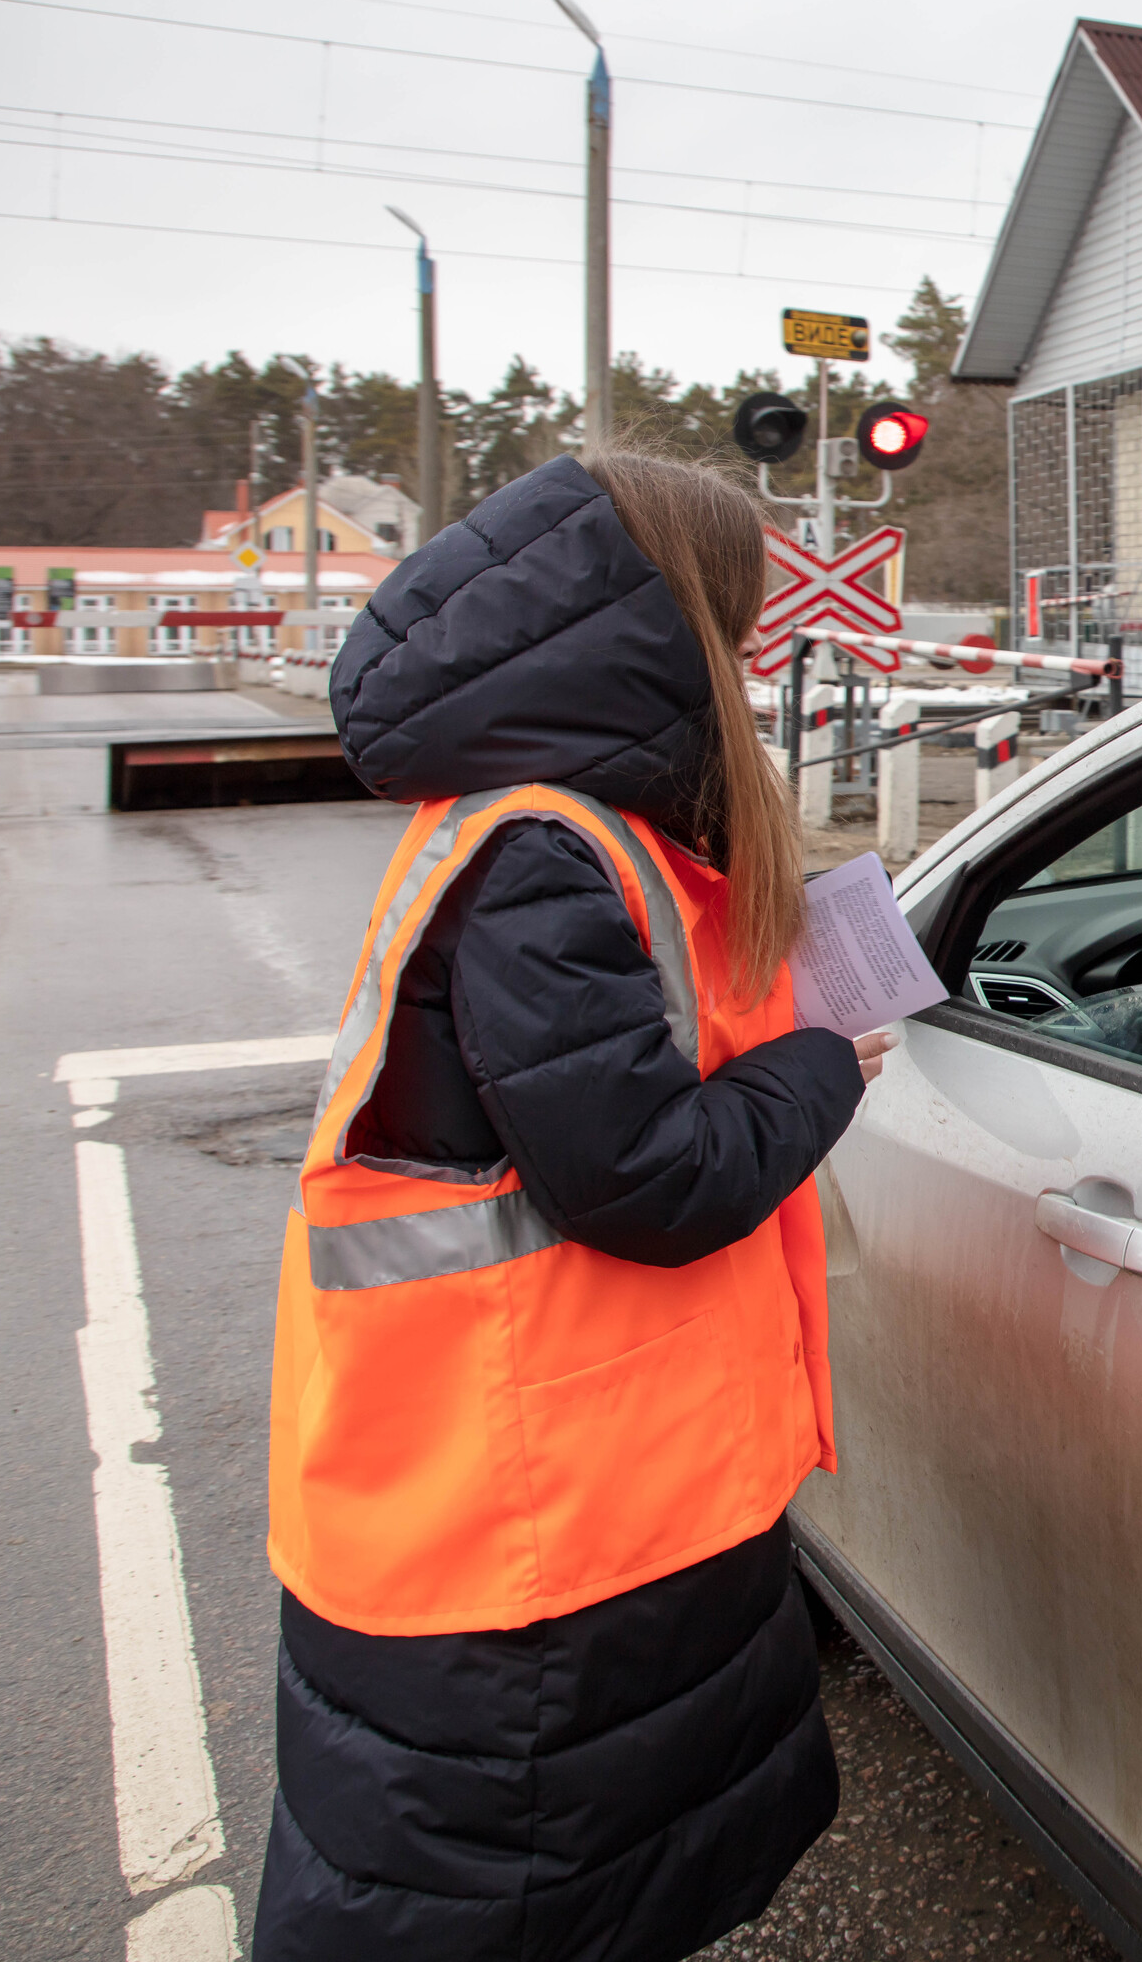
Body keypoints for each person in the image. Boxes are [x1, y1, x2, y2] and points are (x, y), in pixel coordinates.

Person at [254, 450, 889, 1962]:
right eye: (734, 619)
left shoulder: (548, 826)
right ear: (652, 621)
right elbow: (650, 1176)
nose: (750, 653)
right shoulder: (549, 852)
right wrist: (820, 1066)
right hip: (526, 1538)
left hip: (547, 1496)